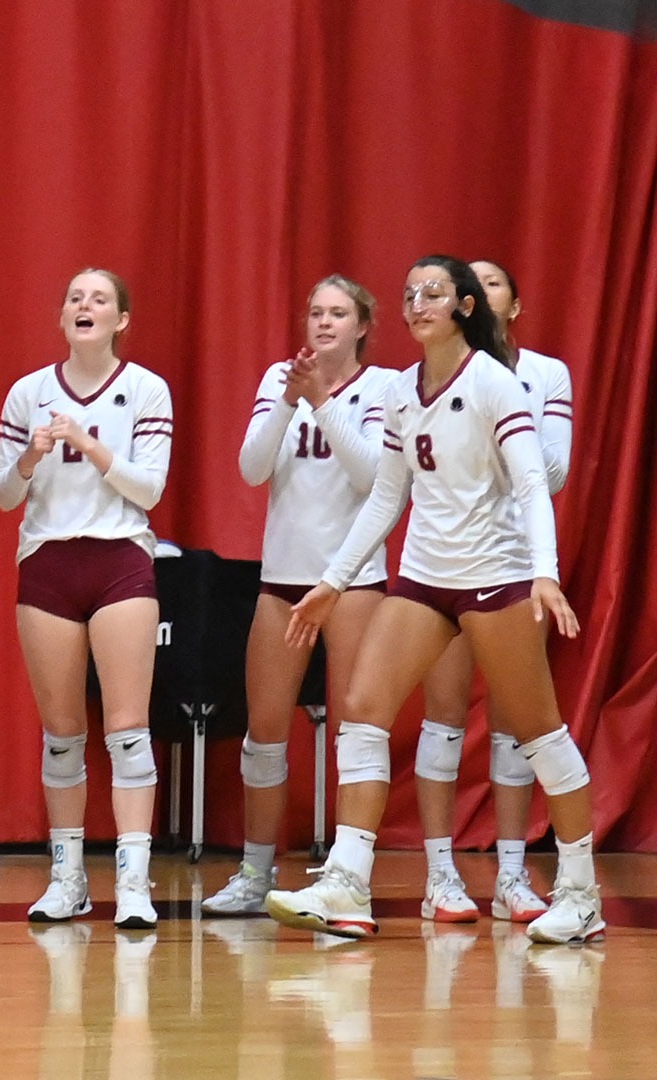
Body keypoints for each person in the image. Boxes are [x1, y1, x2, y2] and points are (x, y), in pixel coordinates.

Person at [268, 256, 601, 946]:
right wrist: (333, 581)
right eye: (410, 292)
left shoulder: (494, 384)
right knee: (362, 708)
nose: (418, 303)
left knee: (539, 732)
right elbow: (389, 493)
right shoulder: (398, 390)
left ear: (466, 308)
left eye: (435, 293)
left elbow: (535, 483)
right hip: (424, 577)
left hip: (495, 575)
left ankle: (580, 890)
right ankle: (347, 883)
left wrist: (545, 571)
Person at [201, 276, 397, 916]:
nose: (324, 323)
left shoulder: (385, 388)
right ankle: (257, 872)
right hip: (282, 578)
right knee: (264, 731)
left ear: (363, 325)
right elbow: (252, 468)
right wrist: (290, 400)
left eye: (339, 313)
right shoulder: (275, 379)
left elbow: (373, 475)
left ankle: (347, 874)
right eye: (315, 311)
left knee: (354, 728)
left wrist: (324, 402)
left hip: (353, 579)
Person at [0, 264, 171, 929]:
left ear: (120, 320)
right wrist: (30, 457)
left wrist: (89, 444)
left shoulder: (147, 390)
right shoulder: (27, 394)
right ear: (63, 318)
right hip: (46, 566)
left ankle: (133, 879)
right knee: (62, 735)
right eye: (74, 298)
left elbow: (149, 490)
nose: (83, 305)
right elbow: (4, 495)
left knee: (127, 731)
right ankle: (66, 877)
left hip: (121, 560)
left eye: (98, 299)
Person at [405, 259, 572, 923]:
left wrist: (506, 427)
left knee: (518, 723)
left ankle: (510, 874)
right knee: (441, 717)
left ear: (512, 303)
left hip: (510, 560)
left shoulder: (541, 374)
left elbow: (550, 473)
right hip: (443, 564)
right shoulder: (426, 377)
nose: (481, 291)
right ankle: (441, 875)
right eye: (470, 283)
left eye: (496, 281)